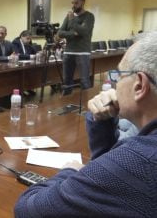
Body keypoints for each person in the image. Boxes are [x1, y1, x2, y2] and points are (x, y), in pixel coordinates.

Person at [15, 32, 157, 217]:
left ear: (139, 86)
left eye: (119, 75)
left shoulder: (138, 162)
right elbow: (106, 180)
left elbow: (28, 209)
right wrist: (102, 121)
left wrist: (69, 170)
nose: (115, 83)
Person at [58, 0, 95, 95]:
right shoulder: (69, 16)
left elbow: (84, 31)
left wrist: (72, 20)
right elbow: (60, 33)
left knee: (84, 81)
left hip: (82, 53)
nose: (73, 5)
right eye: (72, 3)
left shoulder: (89, 16)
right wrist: (74, 33)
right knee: (67, 81)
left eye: (76, 3)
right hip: (68, 52)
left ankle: (85, 106)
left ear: (83, 2)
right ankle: (66, 105)